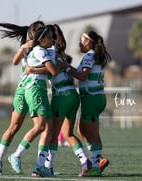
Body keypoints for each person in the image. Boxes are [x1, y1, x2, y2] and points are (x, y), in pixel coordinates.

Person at [0, 21, 45, 175]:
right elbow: (15, 61)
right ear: (34, 33)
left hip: (32, 88)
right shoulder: (30, 46)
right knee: (14, 127)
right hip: (24, 89)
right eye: (42, 30)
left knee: (41, 126)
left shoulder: (43, 47)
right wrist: (23, 47)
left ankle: (21, 158)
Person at [41, 24, 92, 177]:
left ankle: (48, 167)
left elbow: (49, 71)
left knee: (53, 134)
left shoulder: (48, 53)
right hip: (73, 95)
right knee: (67, 134)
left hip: (61, 96)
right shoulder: (61, 53)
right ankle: (85, 161)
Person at [62, 31, 111, 176]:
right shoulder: (95, 55)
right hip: (96, 98)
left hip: (91, 98)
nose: (79, 42)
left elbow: (83, 75)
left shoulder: (90, 55)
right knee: (81, 131)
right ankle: (98, 160)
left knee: (93, 134)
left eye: (82, 40)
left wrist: (66, 67)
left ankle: (95, 167)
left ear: (88, 42)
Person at [18, 25, 62, 177]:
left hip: (41, 89)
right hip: (35, 89)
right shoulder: (39, 50)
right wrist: (58, 65)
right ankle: (17, 155)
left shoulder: (44, 50)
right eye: (49, 37)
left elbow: (50, 72)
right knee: (40, 126)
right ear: (41, 39)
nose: (52, 40)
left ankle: (39, 166)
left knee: (49, 129)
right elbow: (54, 71)